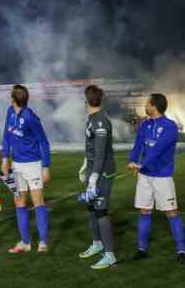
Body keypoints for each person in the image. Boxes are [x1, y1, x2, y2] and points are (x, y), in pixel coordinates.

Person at [128, 93, 185, 264]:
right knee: (144, 210)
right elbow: (138, 145)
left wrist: (142, 164)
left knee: (171, 212)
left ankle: (182, 250)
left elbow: (158, 149)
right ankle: (141, 248)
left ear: (154, 106)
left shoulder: (170, 126)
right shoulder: (145, 124)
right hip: (145, 177)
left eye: (147, 103)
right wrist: (132, 160)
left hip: (162, 176)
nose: (145, 105)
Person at [1, 84, 51, 253]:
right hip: (16, 166)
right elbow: (6, 136)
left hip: (33, 165)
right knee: (19, 203)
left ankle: (43, 242)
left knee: (38, 202)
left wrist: (45, 167)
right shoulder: (9, 111)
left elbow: (44, 142)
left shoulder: (31, 117)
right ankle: (25, 242)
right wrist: (4, 159)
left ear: (13, 99)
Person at [78, 85, 117, 269]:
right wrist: (85, 164)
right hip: (93, 169)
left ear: (87, 101)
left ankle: (110, 255)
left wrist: (93, 178)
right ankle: (97, 243)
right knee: (90, 205)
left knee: (101, 210)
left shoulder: (100, 121)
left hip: (102, 172)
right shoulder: (92, 118)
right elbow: (92, 149)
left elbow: (101, 153)